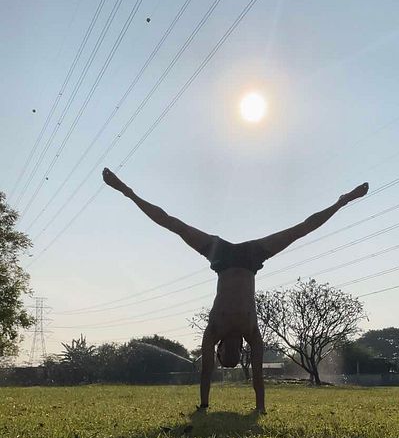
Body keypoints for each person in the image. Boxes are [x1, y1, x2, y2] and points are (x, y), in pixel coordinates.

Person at [102, 168, 369, 414]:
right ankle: (342, 201)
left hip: (221, 256)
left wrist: (204, 406)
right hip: (252, 258)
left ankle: (127, 190)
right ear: (239, 350)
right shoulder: (251, 333)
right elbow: (257, 376)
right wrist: (259, 409)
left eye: (224, 360)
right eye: (233, 360)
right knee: (299, 230)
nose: (229, 360)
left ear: (218, 351)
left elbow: (206, 371)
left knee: (174, 224)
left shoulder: (212, 331)